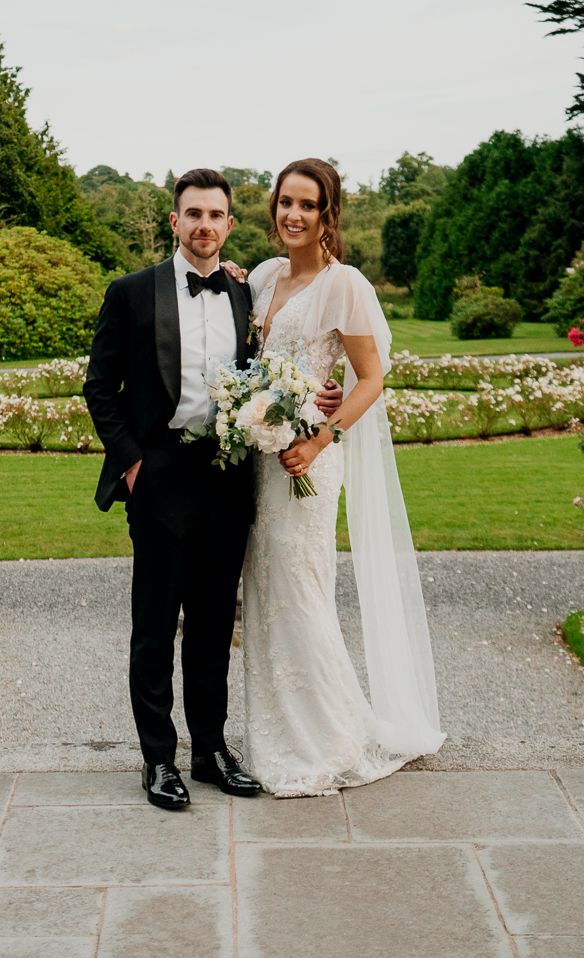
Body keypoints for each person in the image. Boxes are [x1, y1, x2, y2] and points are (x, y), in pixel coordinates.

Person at [83, 168, 342, 811]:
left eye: (215, 215)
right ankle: (157, 759)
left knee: (210, 624)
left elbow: (279, 368)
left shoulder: (243, 293)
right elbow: (99, 387)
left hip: (229, 477)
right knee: (154, 624)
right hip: (160, 474)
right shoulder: (132, 293)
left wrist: (318, 400)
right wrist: (132, 461)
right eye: (192, 214)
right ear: (175, 222)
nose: (204, 225)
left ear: (229, 224)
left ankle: (209, 750)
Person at [240, 157, 444, 796]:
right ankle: (274, 730)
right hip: (257, 458)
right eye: (284, 203)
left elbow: (372, 377)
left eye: (308, 205)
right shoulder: (265, 277)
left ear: (328, 214)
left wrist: (323, 435)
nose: (293, 215)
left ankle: (326, 740)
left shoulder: (345, 284)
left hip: (307, 460)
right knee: (264, 593)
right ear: (273, 208)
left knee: (301, 589)